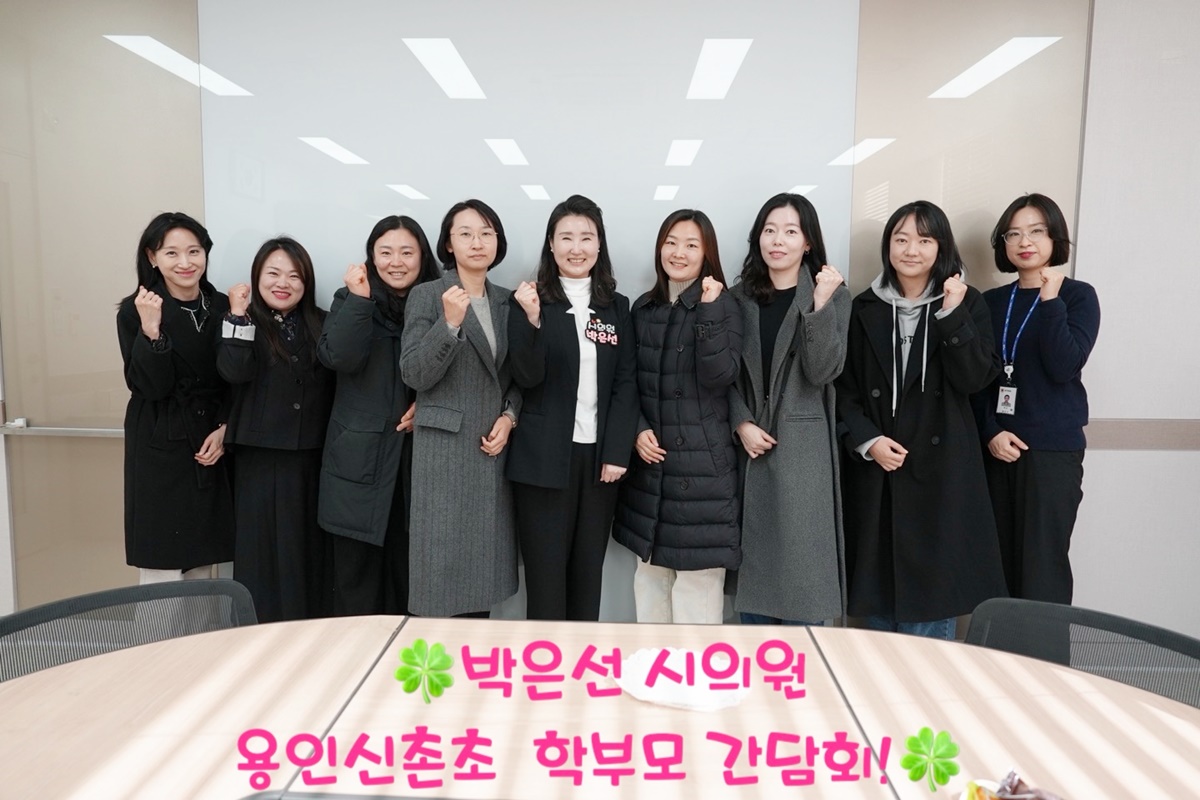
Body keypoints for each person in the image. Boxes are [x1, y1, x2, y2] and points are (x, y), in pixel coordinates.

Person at [836, 200, 1007, 639]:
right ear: (888, 246)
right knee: (877, 599)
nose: (911, 250)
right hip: (879, 472)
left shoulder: (967, 303)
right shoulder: (863, 307)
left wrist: (951, 314)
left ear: (941, 247)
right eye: (901, 239)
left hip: (942, 473)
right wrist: (869, 440)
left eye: (924, 240)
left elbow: (975, 379)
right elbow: (843, 390)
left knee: (932, 602)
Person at [506, 195, 639, 621]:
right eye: (566, 237)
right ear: (551, 243)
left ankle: (582, 660)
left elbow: (626, 382)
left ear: (600, 244)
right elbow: (526, 377)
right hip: (542, 460)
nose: (576, 248)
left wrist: (617, 451)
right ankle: (545, 659)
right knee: (545, 580)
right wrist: (530, 320)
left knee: (587, 575)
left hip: (599, 462)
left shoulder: (616, 307)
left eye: (586, 237)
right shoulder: (530, 300)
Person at [613, 209, 743, 624]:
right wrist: (637, 430)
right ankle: (653, 666)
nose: (679, 253)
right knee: (650, 582)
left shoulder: (724, 305)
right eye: (671, 242)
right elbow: (626, 381)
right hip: (652, 470)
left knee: (697, 591)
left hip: (703, 472)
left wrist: (708, 310)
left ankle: (696, 669)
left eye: (691, 244)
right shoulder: (644, 308)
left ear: (707, 253)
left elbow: (720, 375)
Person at [728, 193, 850, 626]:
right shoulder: (737, 297)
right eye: (769, 230)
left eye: (790, 231)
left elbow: (822, 371)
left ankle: (804, 667)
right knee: (754, 583)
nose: (777, 240)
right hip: (748, 450)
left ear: (808, 242)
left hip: (804, 452)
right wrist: (740, 421)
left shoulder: (832, 295)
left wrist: (819, 304)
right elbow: (722, 375)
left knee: (804, 583)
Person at [400, 199, 522, 618]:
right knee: (439, 575)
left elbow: (519, 376)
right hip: (444, 454)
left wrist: (510, 416)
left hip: (491, 451)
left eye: (487, 233)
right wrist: (449, 324)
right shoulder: (427, 295)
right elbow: (414, 373)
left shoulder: (507, 301)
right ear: (448, 244)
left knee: (481, 577)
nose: (477, 242)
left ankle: (473, 658)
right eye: (465, 233)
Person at [976, 193, 1100, 604]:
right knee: (996, 569)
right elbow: (978, 380)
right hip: (997, 450)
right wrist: (991, 431)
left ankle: (1044, 650)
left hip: (1051, 452)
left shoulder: (1078, 296)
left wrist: (1050, 302)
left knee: (1043, 570)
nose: (1024, 241)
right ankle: (999, 650)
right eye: (1013, 234)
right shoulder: (991, 302)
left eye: (1036, 231)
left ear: (1054, 237)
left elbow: (1064, 366)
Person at [317, 215, 439, 615]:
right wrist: (360, 300)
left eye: (407, 252)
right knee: (357, 584)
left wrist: (429, 405)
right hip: (357, 461)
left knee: (413, 581)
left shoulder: (440, 302)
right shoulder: (351, 298)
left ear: (423, 256)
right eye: (385, 252)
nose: (396, 262)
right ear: (371, 257)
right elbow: (339, 357)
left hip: (418, 462)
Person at [217, 237, 334, 622]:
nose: (283, 283)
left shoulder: (323, 322)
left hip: (310, 457)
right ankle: (258, 635)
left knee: (306, 553)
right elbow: (234, 371)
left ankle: (308, 633)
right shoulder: (242, 321)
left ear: (306, 282)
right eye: (273, 274)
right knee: (260, 555)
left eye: (294, 276)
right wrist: (237, 316)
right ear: (257, 277)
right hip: (259, 458)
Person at [116, 211, 233, 584]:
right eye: (171, 253)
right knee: (163, 565)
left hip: (210, 438)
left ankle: (204, 628)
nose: (185, 262)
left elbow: (236, 378)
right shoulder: (136, 310)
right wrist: (151, 331)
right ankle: (159, 628)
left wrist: (226, 427)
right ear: (152, 257)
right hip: (160, 442)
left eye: (194, 251)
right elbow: (148, 387)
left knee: (204, 562)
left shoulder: (223, 305)